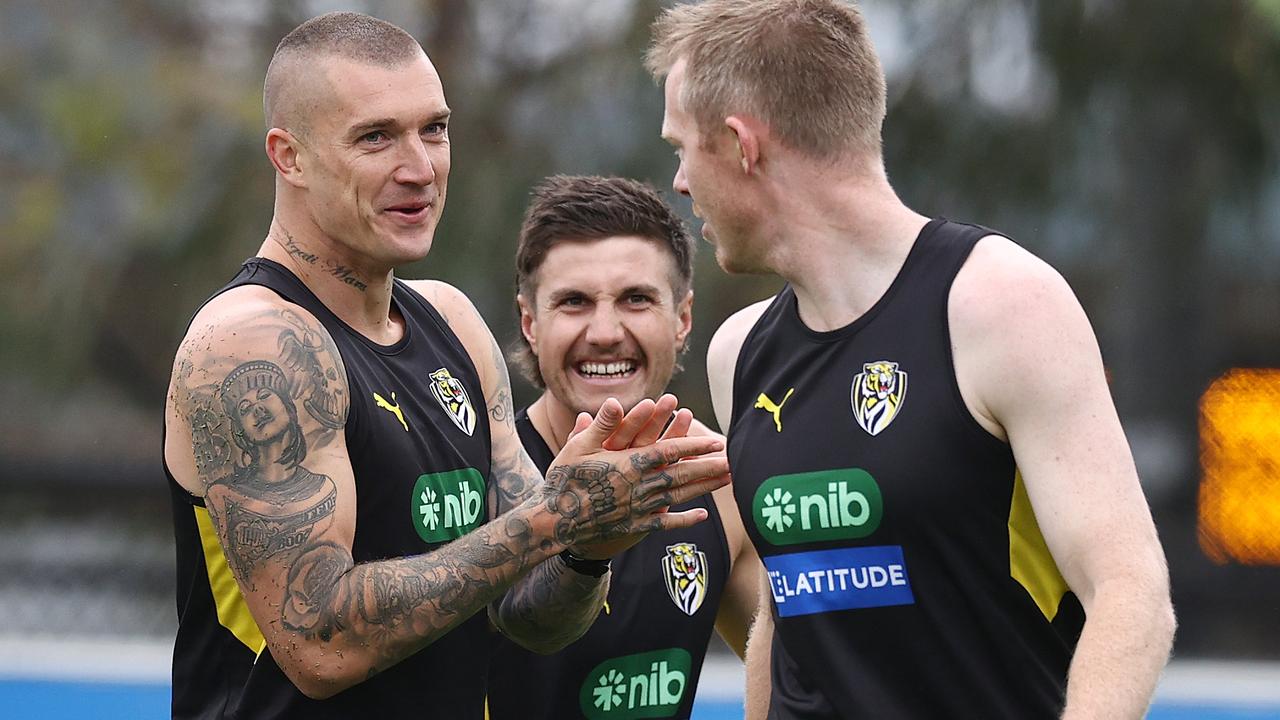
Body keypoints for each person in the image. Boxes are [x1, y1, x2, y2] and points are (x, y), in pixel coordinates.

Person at [162, 12, 730, 719]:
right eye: (376, 137)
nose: (420, 167)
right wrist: (554, 519)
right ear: (290, 155)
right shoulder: (249, 343)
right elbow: (319, 643)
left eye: (434, 128)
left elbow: (529, 618)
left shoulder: (451, 322)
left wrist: (585, 551)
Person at [645, 1, 1177, 718]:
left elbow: (1130, 593)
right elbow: (784, 611)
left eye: (682, 147)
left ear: (742, 144)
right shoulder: (739, 353)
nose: (679, 181)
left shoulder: (1001, 304)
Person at [486, 175, 761, 719]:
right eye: (574, 302)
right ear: (529, 323)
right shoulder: (477, 473)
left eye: (636, 299)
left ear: (682, 319)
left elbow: (807, 668)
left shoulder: (723, 485)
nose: (606, 331)